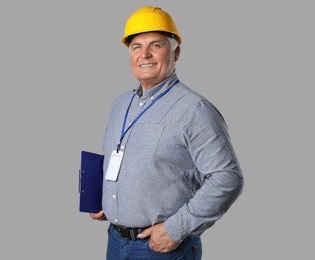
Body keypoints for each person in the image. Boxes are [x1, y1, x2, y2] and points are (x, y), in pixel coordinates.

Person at [90, 6, 244, 259]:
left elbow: (227, 178)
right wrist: (105, 200)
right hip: (115, 242)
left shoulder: (195, 110)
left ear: (176, 52)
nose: (145, 54)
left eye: (156, 45)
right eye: (136, 47)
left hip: (159, 248)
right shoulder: (120, 104)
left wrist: (175, 230)